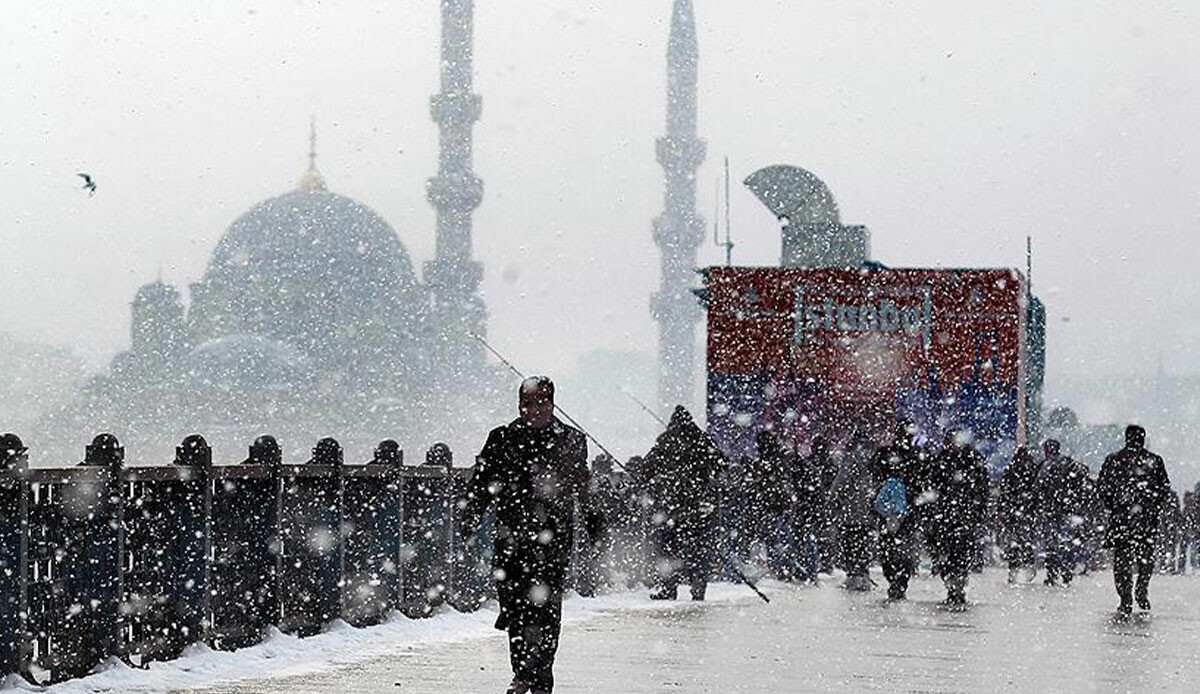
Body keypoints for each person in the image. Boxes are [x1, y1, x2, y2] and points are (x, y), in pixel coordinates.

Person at [460, 376, 596, 694]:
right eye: (527, 404)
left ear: (551, 404)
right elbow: (481, 485)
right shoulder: (502, 439)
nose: (533, 410)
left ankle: (538, 676)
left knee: (546, 610)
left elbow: (582, 484)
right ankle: (523, 670)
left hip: (553, 539)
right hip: (511, 538)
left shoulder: (571, 440)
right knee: (515, 607)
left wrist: (593, 519)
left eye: (540, 403)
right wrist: (470, 517)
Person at [642, 405, 722, 600]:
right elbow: (721, 463)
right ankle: (698, 587)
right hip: (699, 505)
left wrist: (655, 479)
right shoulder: (704, 441)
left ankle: (669, 588)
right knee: (699, 549)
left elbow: (646, 468)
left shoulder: (666, 442)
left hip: (672, 506)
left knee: (668, 547)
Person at [1097, 425, 1172, 617]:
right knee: (1145, 557)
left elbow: (1103, 487)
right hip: (1145, 519)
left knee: (1122, 561)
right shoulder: (1154, 461)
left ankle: (1125, 598)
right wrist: (1152, 505)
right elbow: (1164, 489)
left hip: (1122, 518)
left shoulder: (1114, 460)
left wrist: (1114, 505)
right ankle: (1141, 588)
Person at [924, 430, 989, 606]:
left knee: (960, 555)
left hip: (963, 518)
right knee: (945, 555)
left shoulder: (972, 460)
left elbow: (982, 489)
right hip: (946, 518)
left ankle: (957, 588)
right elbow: (932, 487)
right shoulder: (942, 461)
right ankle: (952, 586)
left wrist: (977, 512)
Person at [870, 420, 928, 601]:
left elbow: (874, 478)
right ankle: (898, 582)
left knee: (891, 549)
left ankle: (897, 582)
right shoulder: (914, 456)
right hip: (902, 512)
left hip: (894, 512)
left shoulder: (888, 454)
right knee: (898, 550)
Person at [1037, 439, 1090, 585]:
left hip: (1052, 510)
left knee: (1052, 543)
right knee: (1064, 542)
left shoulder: (1045, 466)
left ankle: (1053, 573)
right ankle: (1065, 570)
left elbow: (1036, 488)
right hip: (1066, 509)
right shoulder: (1067, 463)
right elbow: (1083, 474)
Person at [830, 430, 877, 590]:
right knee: (863, 543)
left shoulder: (851, 460)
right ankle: (863, 574)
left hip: (852, 512)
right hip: (867, 512)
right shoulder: (872, 459)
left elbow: (840, 484)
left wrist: (833, 501)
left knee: (850, 543)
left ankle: (854, 576)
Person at [999, 446, 1041, 582]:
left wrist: (1004, 508)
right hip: (1026, 511)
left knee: (1016, 542)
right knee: (1025, 541)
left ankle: (1015, 569)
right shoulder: (1033, 470)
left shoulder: (1012, 470)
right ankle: (1026, 567)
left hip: (1016, 511)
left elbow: (1004, 492)